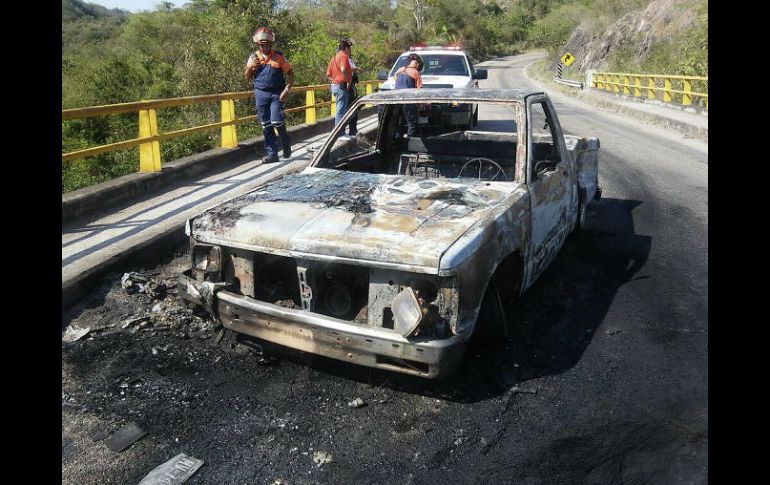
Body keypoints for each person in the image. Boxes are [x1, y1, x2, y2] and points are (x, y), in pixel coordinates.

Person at [244, 27, 295, 163]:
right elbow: (247, 77)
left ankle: (286, 145)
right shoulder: (254, 57)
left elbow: (290, 74)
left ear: (271, 44)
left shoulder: (278, 57)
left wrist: (287, 89)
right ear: (258, 44)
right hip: (260, 93)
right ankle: (272, 154)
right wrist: (249, 67)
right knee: (266, 125)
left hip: (276, 94)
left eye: (267, 45)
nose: (265, 47)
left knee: (277, 121)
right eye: (262, 45)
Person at [326, 40, 353, 134]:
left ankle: (340, 132)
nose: (349, 51)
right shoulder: (344, 56)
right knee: (341, 111)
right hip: (341, 86)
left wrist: (334, 81)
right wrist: (348, 81)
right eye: (349, 49)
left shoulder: (334, 57)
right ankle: (339, 134)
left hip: (335, 86)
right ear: (346, 48)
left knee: (340, 109)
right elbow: (343, 69)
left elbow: (328, 74)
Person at [394, 53, 423, 137]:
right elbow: (419, 90)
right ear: (417, 64)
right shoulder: (416, 73)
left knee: (399, 122)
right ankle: (409, 142)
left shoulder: (400, 70)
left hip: (397, 101)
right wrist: (421, 104)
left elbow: (395, 78)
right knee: (412, 123)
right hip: (409, 101)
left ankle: (397, 140)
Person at [346, 47, 361, 136]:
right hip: (348, 86)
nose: (350, 50)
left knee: (354, 109)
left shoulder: (350, 59)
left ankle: (353, 129)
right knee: (350, 109)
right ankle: (350, 130)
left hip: (352, 86)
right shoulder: (343, 59)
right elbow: (346, 70)